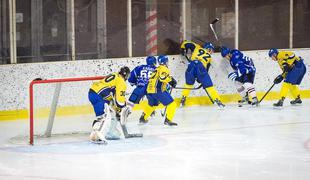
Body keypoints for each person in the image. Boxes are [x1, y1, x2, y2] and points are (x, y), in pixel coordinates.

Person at [88, 66, 131, 144]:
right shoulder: (121, 82)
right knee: (105, 117)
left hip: (93, 93)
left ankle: (98, 134)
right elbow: (119, 101)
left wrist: (117, 109)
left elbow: (112, 95)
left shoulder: (115, 75)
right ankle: (99, 136)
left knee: (102, 116)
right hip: (99, 95)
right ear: (126, 75)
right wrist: (121, 108)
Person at [179, 40, 225, 108]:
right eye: (212, 50)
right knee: (209, 86)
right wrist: (200, 79)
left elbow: (186, 42)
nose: (212, 52)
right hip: (201, 67)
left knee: (188, 84)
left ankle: (182, 100)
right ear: (209, 49)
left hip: (191, 65)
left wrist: (183, 49)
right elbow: (205, 70)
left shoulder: (197, 47)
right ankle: (218, 101)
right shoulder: (209, 58)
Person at [140, 55, 178, 126]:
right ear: (165, 62)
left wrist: (170, 80)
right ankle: (168, 120)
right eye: (167, 61)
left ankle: (143, 118)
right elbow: (162, 78)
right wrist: (171, 81)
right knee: (172, 104)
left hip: (149, 90)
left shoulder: (157, 69)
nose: (167, 63)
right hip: (157, 90)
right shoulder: (164, 68)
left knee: (152, 105)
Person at [127, 56, 157, 124]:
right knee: (153, 102)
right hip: (151, 88)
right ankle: (145, 115)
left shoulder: (140, 67)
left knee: (131, 101)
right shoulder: (156, 69)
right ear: (154, 62)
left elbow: (131, 78)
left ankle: (125, 114)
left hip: (140, 87)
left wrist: (135, 83)